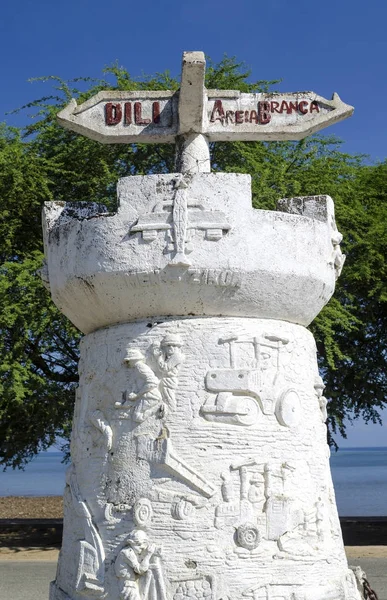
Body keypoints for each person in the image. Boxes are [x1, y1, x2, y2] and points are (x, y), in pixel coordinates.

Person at [115, 530, 165, 600]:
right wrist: (148, 554)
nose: (141, 547)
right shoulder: (127, 553)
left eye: (143, 544)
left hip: (130, 584)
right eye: (138, 544)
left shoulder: (131, 551)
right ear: (131, 543)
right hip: (127, 586)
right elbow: (140, 570)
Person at [153, 334, 184, 413]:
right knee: (165, 398)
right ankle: (166, 411)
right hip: (166, 380)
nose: (171, 348)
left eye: (174, 345)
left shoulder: (177, 356)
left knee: (169, 399)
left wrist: (159, 358)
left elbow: (164, 368)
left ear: (178, 347)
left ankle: (171, 413)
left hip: (169, 381)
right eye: (168, 345)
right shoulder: (169, 357)